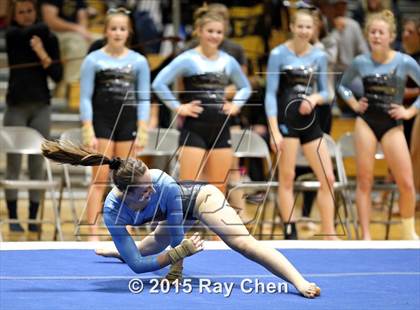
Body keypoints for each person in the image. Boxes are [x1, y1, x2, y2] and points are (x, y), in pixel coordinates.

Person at [41, 139, 321, 298]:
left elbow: (176, 233)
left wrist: (176, 267)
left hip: (198, 199)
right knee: (139, 252)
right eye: (144, 190)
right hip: (167, 219)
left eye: (151, 183)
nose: (151, 189)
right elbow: (139, 268)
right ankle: (118, 250)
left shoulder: (163, 183)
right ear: (125, 193)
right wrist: (173, 253)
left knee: (243, 244)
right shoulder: (113, 212)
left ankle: (297, 281)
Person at [337, 10, 420, 240]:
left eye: (380, 32)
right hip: (366, 123)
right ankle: (365, 236)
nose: (376, 36)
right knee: (364, 180)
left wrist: (410, 110)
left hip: (392, 125)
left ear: (391, 36)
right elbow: (342, 85)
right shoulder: (361, 62)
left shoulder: (404, 61)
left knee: (406, 182)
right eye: (372, 32)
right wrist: (354, 104)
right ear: (367, 35)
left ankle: (408, 232)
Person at [152, 6, 251, 194]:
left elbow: (245, 87)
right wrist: (178, 107)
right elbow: (159, 83)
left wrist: (236, 105)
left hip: (221, 129)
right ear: (199, 31)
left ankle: (212, 223)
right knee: (187, 188)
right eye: (210, 31)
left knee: (218, 190)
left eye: (219, 32)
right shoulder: (187, 59)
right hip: (194, 128)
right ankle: (182, 222)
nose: (214, 36)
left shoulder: (228, 61)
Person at [265, 9, 337, 240]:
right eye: (301, 26)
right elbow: (270, 94)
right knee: (287, 177)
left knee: (328, 178)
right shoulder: (278, 54)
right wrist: (274, 130)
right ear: (292, 27)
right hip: (286, 123)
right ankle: (290, 230)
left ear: (314, 29)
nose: (305, 31)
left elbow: (327, 91)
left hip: (309, 122)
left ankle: (329, 232)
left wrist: (314, 98)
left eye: (309, 27)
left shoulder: (320, 55)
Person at [79, 7, 150, 240]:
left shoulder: (139, 61)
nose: (118, 33)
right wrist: (87, 127)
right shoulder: (93, 59)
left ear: (128, 32)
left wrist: (143, 127)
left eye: (122, 29)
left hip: (128, 122)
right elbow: (85, 97)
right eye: (113, 28)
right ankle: (93, 231)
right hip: (102, 123)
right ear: (106, 31)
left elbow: (144, 97)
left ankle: (127, 229)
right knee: (99, 178)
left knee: (129, 181)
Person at [4, 0, 62, 232]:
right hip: (16, 106)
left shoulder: (49, 38)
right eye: (21, 12)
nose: (26, 16)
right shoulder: (12, 35)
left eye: (30, 11)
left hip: (41, 106)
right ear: (14, 15)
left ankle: (33, 218)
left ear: (35, 11)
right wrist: (41, 31)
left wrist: (42, 53)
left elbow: (57, 75)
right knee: (14, 164)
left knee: (38, 162)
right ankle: (13, 217)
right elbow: (29, 31)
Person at [40, 0, 92, 98]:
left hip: (74, 33)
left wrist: (83, 32)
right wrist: (77, 29)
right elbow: (50, 21)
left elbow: (82, 17)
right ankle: (69, 89)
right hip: (53, 33)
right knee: (77, 44)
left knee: (101, 42)